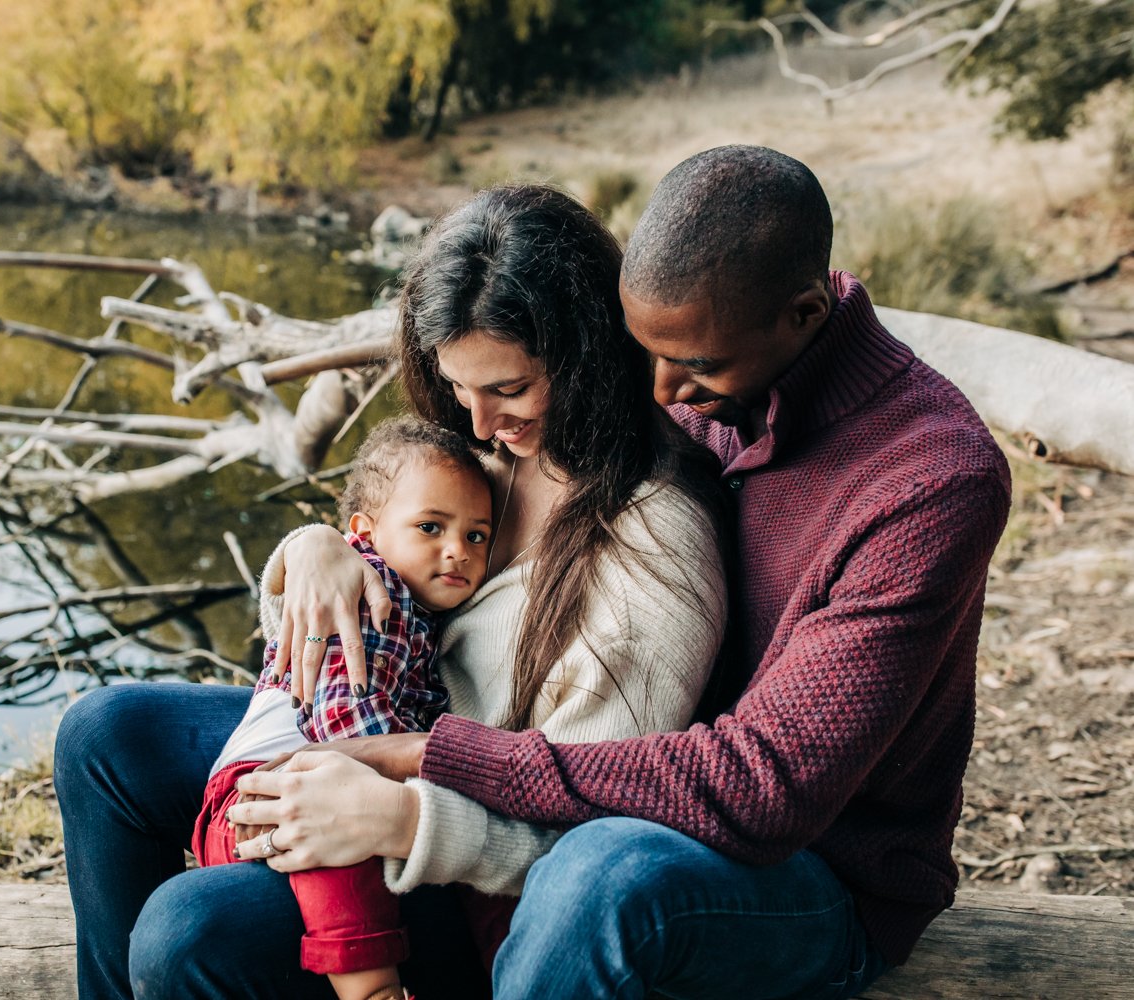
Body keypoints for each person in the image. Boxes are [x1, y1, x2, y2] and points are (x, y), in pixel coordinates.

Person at [232, 146, 1013, 999]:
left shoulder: (929, 480)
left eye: (697, 368)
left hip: (815, 873)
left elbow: (767, 788)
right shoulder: (714, 366)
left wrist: (437, 757)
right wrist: (325, 544)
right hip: (634, 777)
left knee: (598, 874)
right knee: (114, 739)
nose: (663, 391)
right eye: (645, 351)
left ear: (802, 313)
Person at [53, 183, 728, 999]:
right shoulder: (496, 457)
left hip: (463, 862)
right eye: (457, 388)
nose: (478, 425)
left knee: (188, 930)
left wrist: (398, 818)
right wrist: (314, 552)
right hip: (377, 726)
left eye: (509, 390)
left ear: (583, 356)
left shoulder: (654, 547)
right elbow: (375, 588)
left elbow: (593, 812)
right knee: (105, 732)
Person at [192, 416, 494, 1000]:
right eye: (431, 527)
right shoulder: (378, 596)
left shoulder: (414, 605)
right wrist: (421, 774)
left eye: (477, 536)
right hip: (259, 794)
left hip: (270, 784)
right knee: (343, 841)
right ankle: (370, 988)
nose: (457, 551)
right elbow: (341, 715)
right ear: (365, 532)